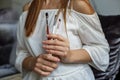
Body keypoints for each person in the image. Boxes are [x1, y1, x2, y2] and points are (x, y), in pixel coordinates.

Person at [15, 0, 110, 80]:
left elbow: (102, 51)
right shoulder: (27, 9)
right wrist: (33, 62)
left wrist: (69, 55)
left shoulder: (78, 4)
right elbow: (21, 53)